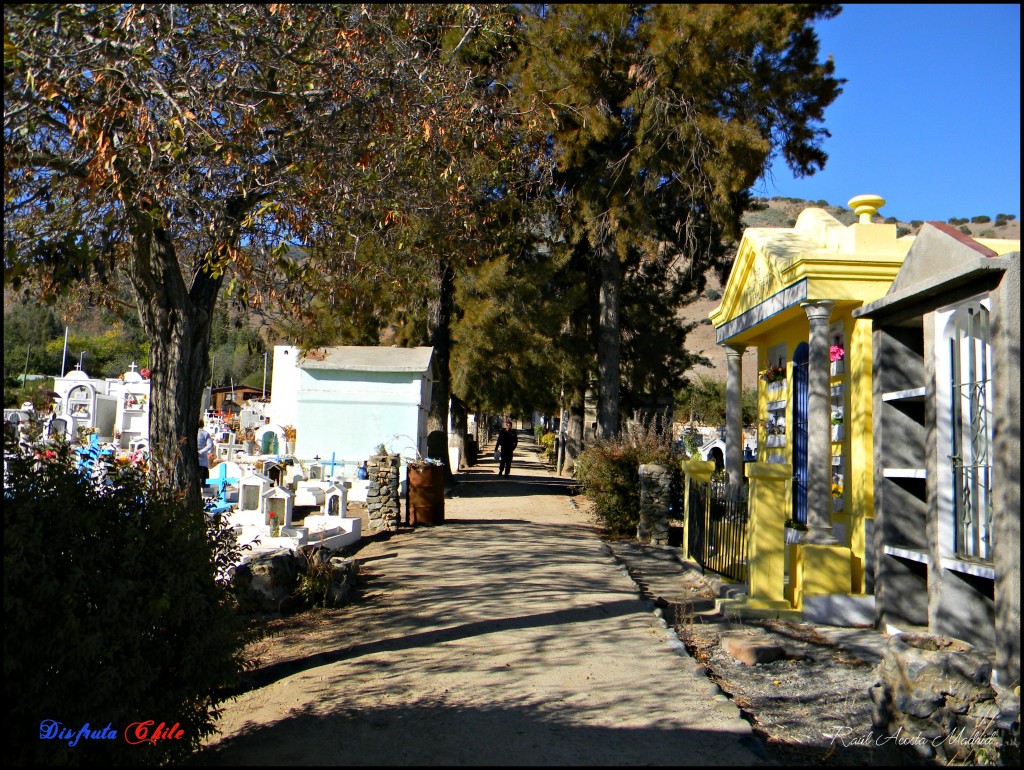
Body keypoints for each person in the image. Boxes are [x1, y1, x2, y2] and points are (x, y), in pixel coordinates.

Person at [197, 419, 214, 489]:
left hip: (191, 461)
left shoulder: (190, 433)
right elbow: (210, 445)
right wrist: (200, 452)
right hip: (202, 461)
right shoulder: (205, 434)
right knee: (204, 484)